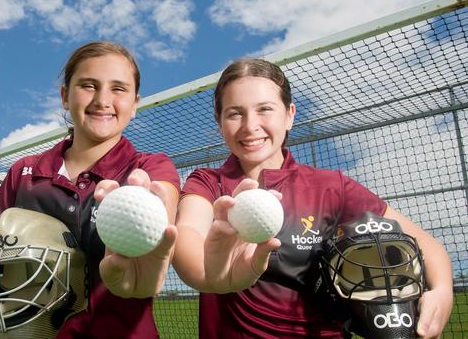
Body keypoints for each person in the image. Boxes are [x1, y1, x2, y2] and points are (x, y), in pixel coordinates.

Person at [172, 58, 454, 338]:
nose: (250, 125)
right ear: (219, 122)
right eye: (235, 113)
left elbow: (427, 245)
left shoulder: (332, 187)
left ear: (289, 115)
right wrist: (209, 275)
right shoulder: (207, 182)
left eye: (265, 110)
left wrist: (441, 290)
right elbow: (188, 235)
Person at [0, 41, 180, 338]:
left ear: (135, 103)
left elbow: (162, 217)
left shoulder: (151, 168)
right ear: (65, 96)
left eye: (118, 89)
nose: (102, 99)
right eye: (88, 85)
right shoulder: (23, 173)